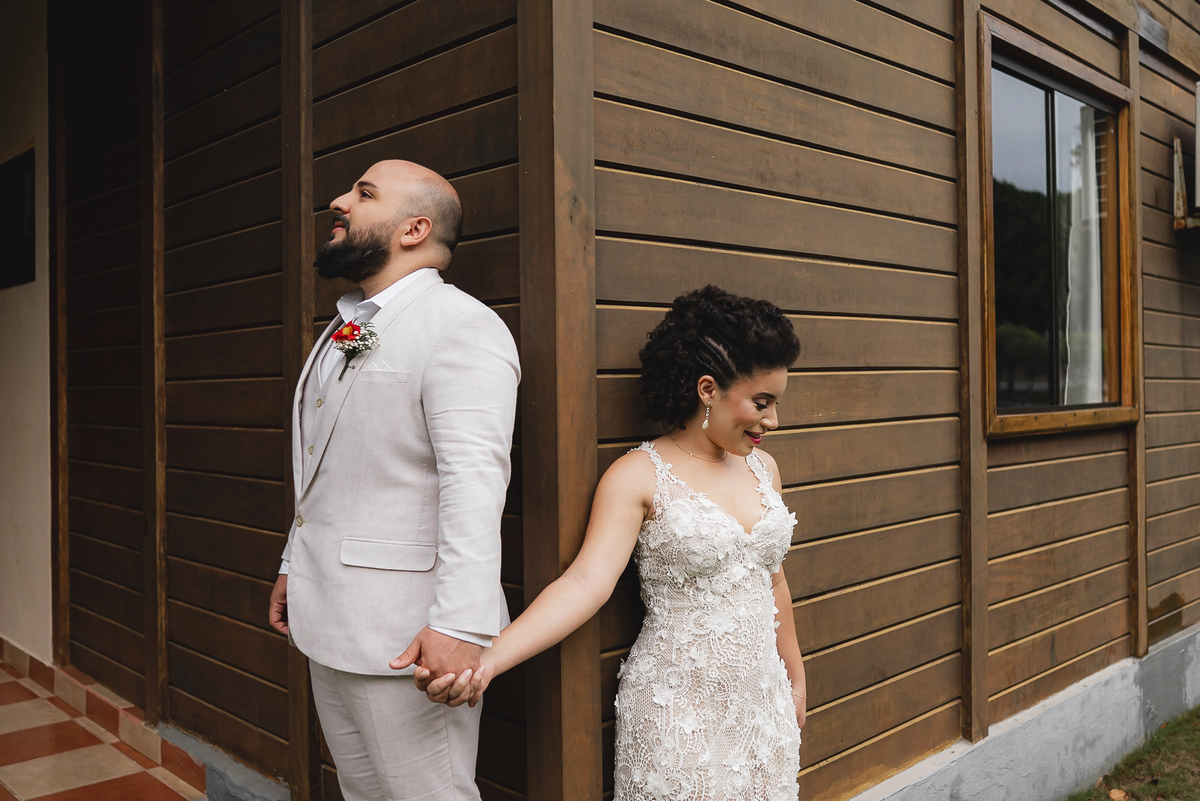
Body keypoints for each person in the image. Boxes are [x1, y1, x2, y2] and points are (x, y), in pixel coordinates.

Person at [414, 286, 806, 800]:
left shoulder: (764, 469)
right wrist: (486, 660)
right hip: (678, 710)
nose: (772, 421)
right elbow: (583, 585)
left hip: (762, 703)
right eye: (762, 403)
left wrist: (794, 676)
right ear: (708, 389)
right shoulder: (639, 475)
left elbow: (773, 582)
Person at [268, 160, 520, 801]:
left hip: (411, 638)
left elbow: (474, 483)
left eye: (364, 193)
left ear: (414, 229)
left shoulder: (461, 325)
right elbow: (331, 464)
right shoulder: (352, 323)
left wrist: (460, 626)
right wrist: (296, 562)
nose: (339, 201)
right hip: (330, 620)